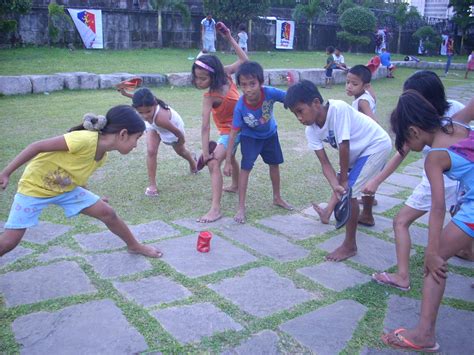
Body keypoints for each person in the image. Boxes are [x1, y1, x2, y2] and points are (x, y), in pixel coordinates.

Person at [0, 105, 162, 258]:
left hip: (66, 189)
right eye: (137, 138)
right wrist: (6, 173)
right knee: (9, 242)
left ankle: (134, 246)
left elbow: (77, 175)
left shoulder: (101, 155)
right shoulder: (83, 139)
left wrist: (91, 198)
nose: (135, 145)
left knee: (108, 213)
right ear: (123, 134)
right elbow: (36, 146)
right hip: (34, 189)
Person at [381, 90, 473, 352]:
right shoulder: (459, 121)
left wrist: (432, 253)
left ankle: (424, 334)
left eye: (406, 141)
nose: (408, 148)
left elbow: (438, 207)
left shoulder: (434, 157)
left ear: (413, 131)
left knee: (436, 263)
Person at [367, 71, 466, 291]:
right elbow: (403, 150)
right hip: (461, 184)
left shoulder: (433, 147)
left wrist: (431, 252)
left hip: (447, 182)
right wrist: (376, 181)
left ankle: (403, 277)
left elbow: (438, 208)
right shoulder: (454, 115)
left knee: (402, 222)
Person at [284, 80, 391, 262]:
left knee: (349, 192)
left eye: (300, 111)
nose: (299, 118)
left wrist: (342, 183)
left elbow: (344, 146)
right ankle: (364, 216)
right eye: (295, 114)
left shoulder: (338, 109)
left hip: (376, 145)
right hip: (358, 153)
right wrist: (335, 185)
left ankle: (350, 246)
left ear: (316, 103)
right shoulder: (311, 131)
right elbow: (325, 164)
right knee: (344, 185)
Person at [223, 61, 293, 224]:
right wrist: (227, 161)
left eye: (252, 84)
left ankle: (277, 197)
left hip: (270, 135)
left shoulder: (270, 93)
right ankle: (241, 207)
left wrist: (292, 96)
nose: (248, 89)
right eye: (244, 85)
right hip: (250, 138)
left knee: (274, 165)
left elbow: (289, 99)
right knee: (245, 169)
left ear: (261, 83)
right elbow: (233, 133)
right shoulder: (240, 106)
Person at [191, 25, 248, 223]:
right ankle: (234, 185)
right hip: (230, 131)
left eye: (203, 78)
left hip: (240, 128)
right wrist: (205, 150)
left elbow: (244, 61)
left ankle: (215, 209)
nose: (199, 82)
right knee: (223, 157)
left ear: (214, 75)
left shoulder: (225, 75)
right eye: (197, 78)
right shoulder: (209, 97)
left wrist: (229, 37)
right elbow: (205, 127)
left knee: (214, 162)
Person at [313, 65, 379, 227]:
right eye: (348, 82)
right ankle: (334, 212)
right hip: (362, 149)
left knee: (346, 183)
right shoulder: (366, 97)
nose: (349, 86)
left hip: (367, 148)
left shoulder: (362, 101)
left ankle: (335, 215)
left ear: (366, 86)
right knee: (348, 180)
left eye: (354, 84)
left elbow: (373, 122)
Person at [120, 87, 197, 196]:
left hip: (172, 129)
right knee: (151, 151)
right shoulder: (145, 104)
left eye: (148, 111)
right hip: (153, 126)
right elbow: (136, 99)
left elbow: (177, 132)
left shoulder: (161, 118)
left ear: (154, 104)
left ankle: (192, 161)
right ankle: (152, 185)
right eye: (140, 112)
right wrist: (125, 93)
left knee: (181, 151)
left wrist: (182, 141)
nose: (145, 115)